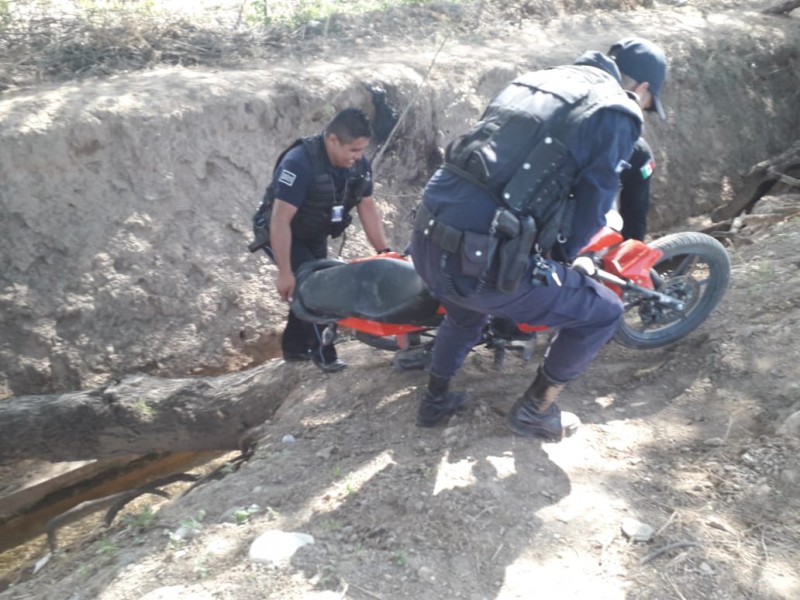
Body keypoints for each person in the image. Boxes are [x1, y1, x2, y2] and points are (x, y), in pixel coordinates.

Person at [408, 37, 667, 440]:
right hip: (478, 263)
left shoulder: (535, 81)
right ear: (644, 89)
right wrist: (562, 257)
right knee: (604, 311)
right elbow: (594, 204)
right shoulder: (616, 110)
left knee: (464, 314)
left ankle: (434, 400)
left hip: (427, 239)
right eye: (650, 102)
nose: (645, 108)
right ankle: (535, 410)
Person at [252, 108, 390, 373]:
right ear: (332, 140)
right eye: (353, 150)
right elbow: (280, 220)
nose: (358, 157)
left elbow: (367, 205)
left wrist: (383, 250)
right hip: (278, 230)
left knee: (306, 284)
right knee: (319, 285)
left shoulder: (358, 164)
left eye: (362, 150)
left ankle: (294, 348)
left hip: (313, 230)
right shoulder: (299, 163)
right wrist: (284, 272)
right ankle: (325, 355)